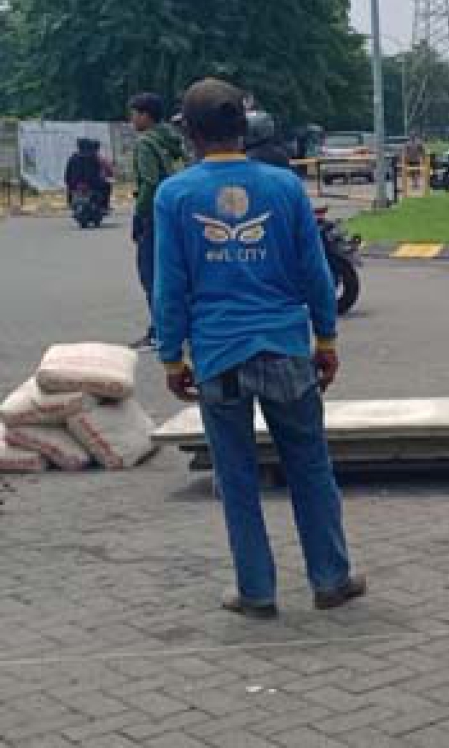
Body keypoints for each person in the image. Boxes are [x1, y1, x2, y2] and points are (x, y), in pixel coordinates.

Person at [153, 78, 365, 619]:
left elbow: (170, 284)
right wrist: (327, 337)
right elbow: (315, 271)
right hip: (286, 349)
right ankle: (331, 578)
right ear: (242, 130)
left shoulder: (174, 195)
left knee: (237, 476)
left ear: (192, 134)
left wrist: (173, 357)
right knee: (310, 467)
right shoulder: (284, 187)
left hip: (218, 355)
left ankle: (256, 590)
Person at [128, 93, 185, 350]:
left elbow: (149, 183)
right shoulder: (174, 140)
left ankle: (159, 332)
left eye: (134, 114)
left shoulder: (145, 143)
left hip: (154, 216)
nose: (131, 119)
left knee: (151, 274)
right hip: (177, 213)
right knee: (176, 273)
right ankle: (180, 328)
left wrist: (139, 216)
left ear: (145, 116)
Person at [64, 138, 113, 211]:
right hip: (92, 184)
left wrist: (69, 182)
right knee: (107, 186)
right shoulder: (94, 157)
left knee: (70, 188)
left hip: (74, 184)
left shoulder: (73, 157)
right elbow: (103, 170)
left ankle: (70, 203)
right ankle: (105, 205)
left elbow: (67, 173)